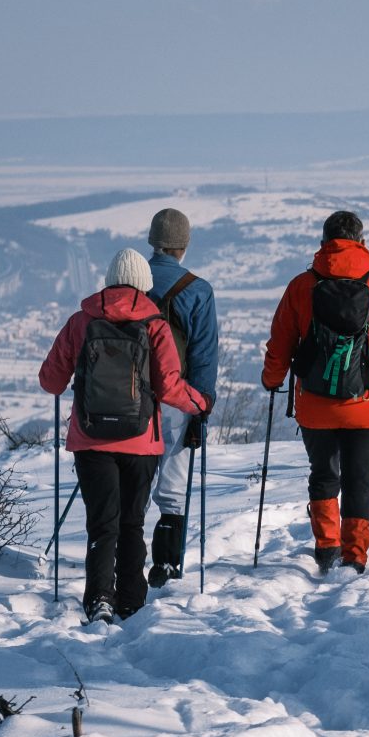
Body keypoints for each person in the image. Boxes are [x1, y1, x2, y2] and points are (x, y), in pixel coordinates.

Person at [40, 249, 209, 622]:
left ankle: (99, 598)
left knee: (103, 524)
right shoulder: (155, 324)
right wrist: (199, 402)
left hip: (90, 439)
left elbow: (49, 380)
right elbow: (168, 387)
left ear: (109, 279)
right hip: (141, 441)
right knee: (131, 523)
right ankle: (132, 600)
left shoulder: (80, 322)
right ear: (144, 284)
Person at [260, 210, 369, 572]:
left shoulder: (302, 285)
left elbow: (280, 343)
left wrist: (272, 380)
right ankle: (355, 556)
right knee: (358, 480)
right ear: (362, 242)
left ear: (323, 243)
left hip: (315, 404)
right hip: (366, 404)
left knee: (324, 473)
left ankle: (327, 546)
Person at [145, 207, 218, 588]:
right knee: (173, 488)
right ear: (184, 245)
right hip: (178, 400)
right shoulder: (198, 290)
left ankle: (124, 560)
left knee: (134, 485)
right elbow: (204, 356)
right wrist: (203, 404)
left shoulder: (131, 283)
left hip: (131, 400)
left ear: (152, 242)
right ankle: (167, 565)